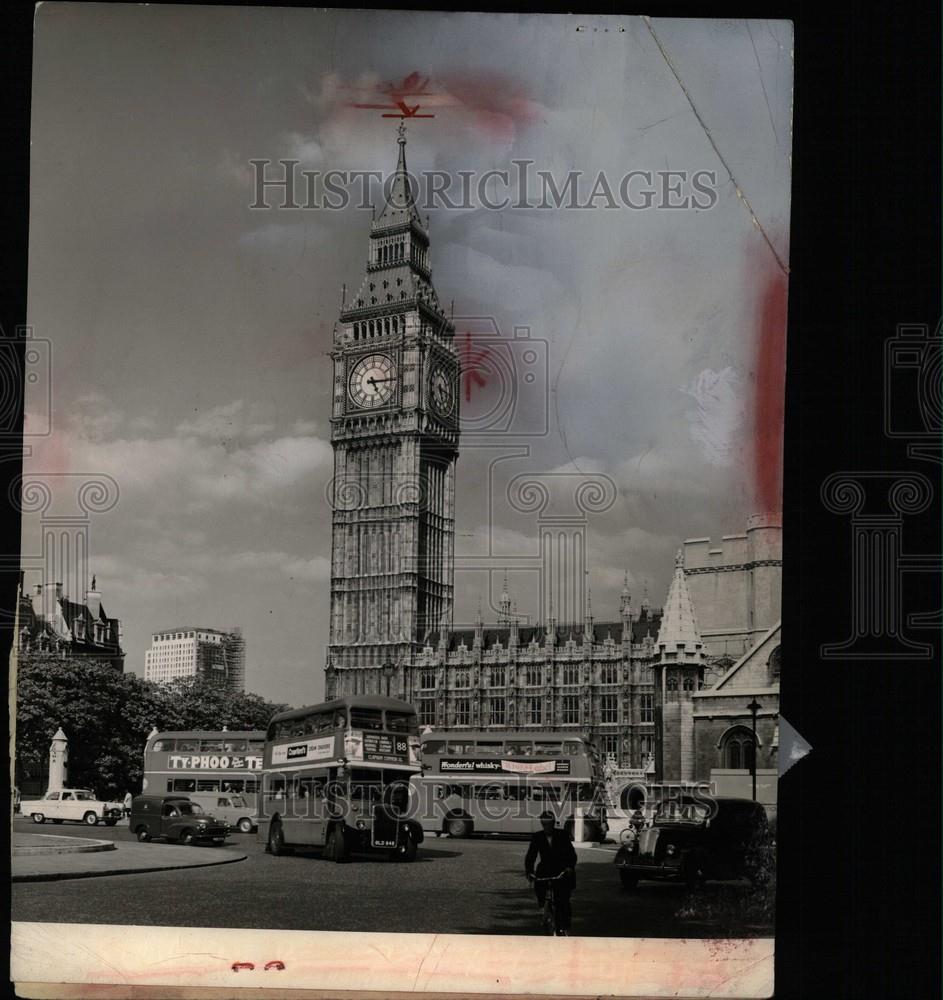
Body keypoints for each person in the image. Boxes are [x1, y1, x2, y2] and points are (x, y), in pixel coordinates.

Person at [525, 811, 577, 935]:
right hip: (544, 870)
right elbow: (531, 856)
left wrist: (569, 867)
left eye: (549, 824)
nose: (546, 827)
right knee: (540, 888)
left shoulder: (562, 835)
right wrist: (529, 872)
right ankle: (543, 907)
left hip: (561, 870)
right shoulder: (537, 836)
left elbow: (571, 854)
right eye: (544, 824)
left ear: (553, 824)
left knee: (563, 901)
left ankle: (565, 927)